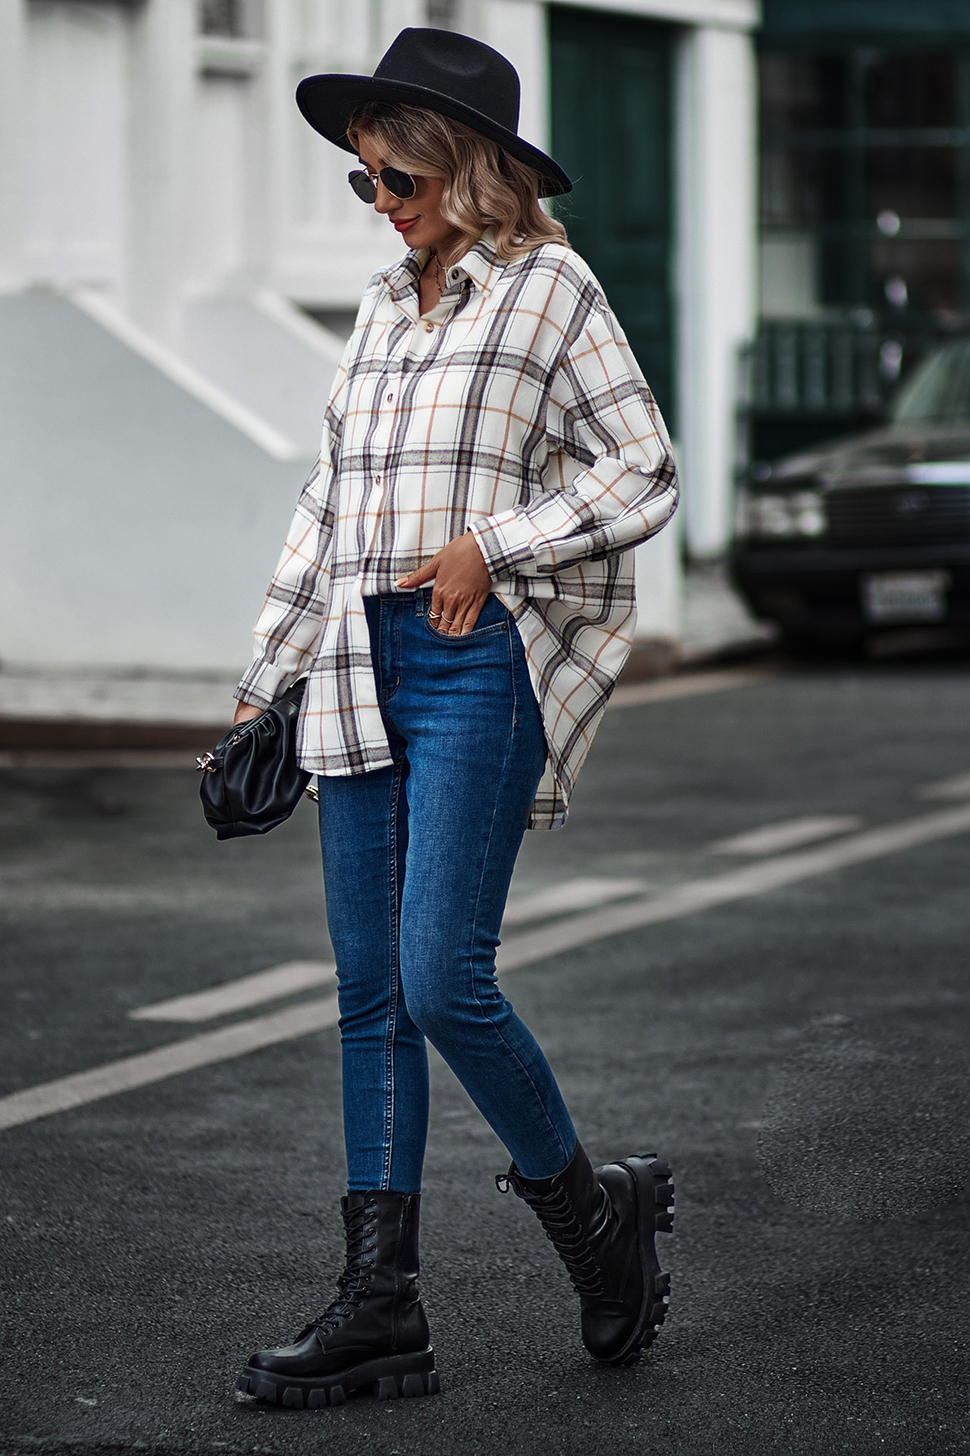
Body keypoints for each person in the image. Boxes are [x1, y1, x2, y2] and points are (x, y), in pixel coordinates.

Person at [231, 27, 678, 1410]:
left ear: (467, 162)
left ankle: (595, 1229)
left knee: (441, 980)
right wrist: (263, 674)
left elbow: (644, 466)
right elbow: (331, 506)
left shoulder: (548, 290)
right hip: (354, 669)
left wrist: (501, 542)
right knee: (369, 1001)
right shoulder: (375, 308)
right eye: (365, 181)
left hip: (470, 662)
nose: (381, 199)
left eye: (399, 174)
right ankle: (380, 1309)